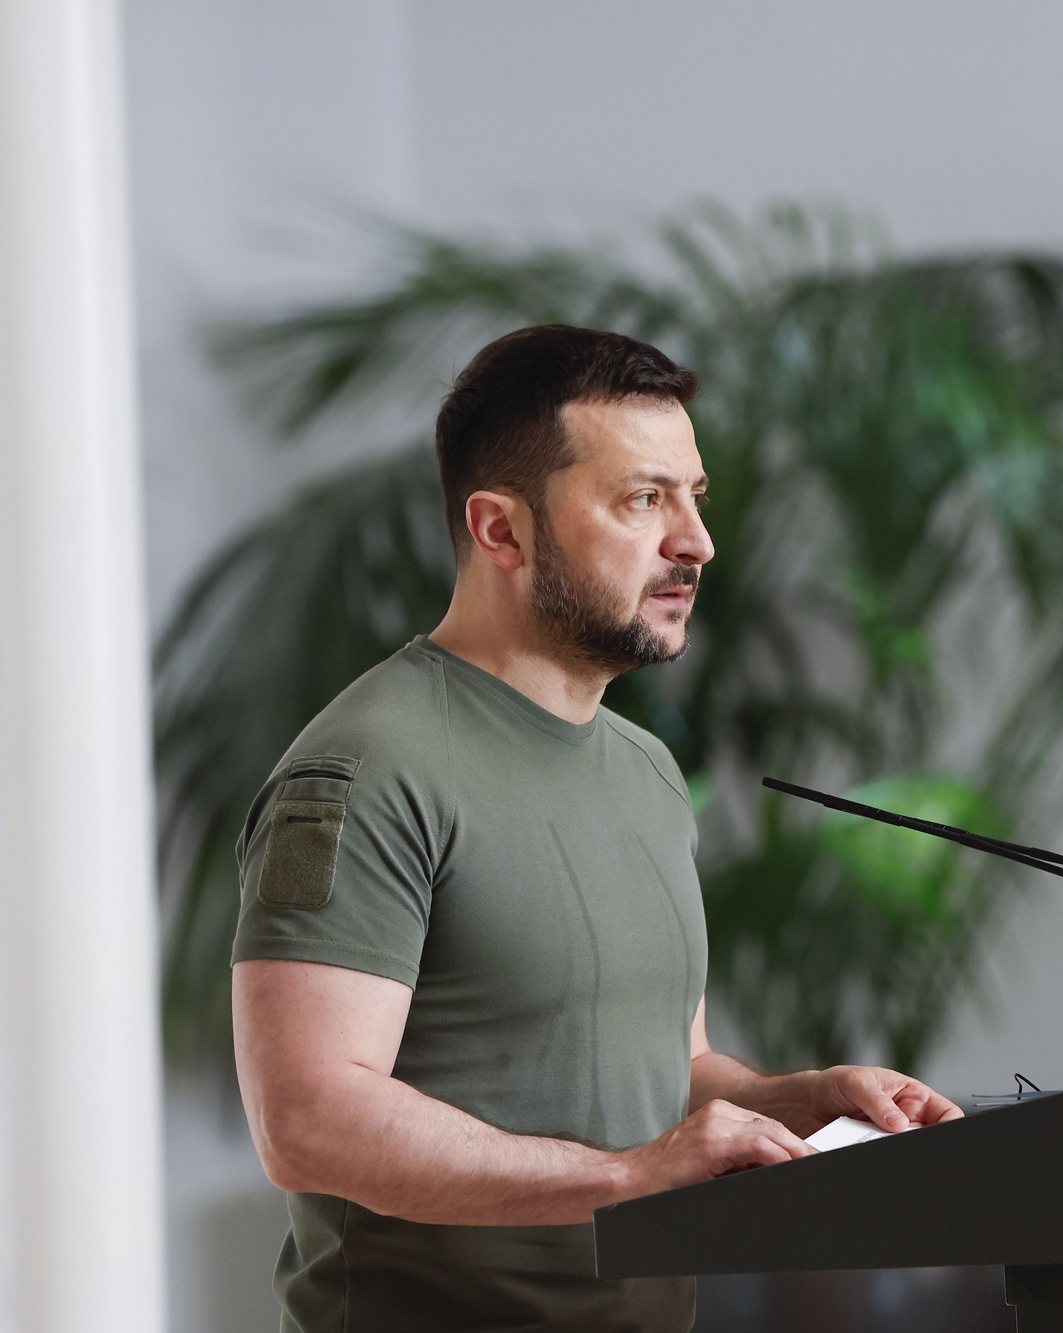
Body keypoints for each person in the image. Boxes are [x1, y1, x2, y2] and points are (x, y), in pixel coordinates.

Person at [230, 324, 961, 1333]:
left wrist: (803, 1098)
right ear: (501, 531)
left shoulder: (646, 772)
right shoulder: (364, 771)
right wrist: (627, 1176)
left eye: (693, 497)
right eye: (642, 499)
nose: (695, 541)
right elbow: (309, 1122)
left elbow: (669, 1063)